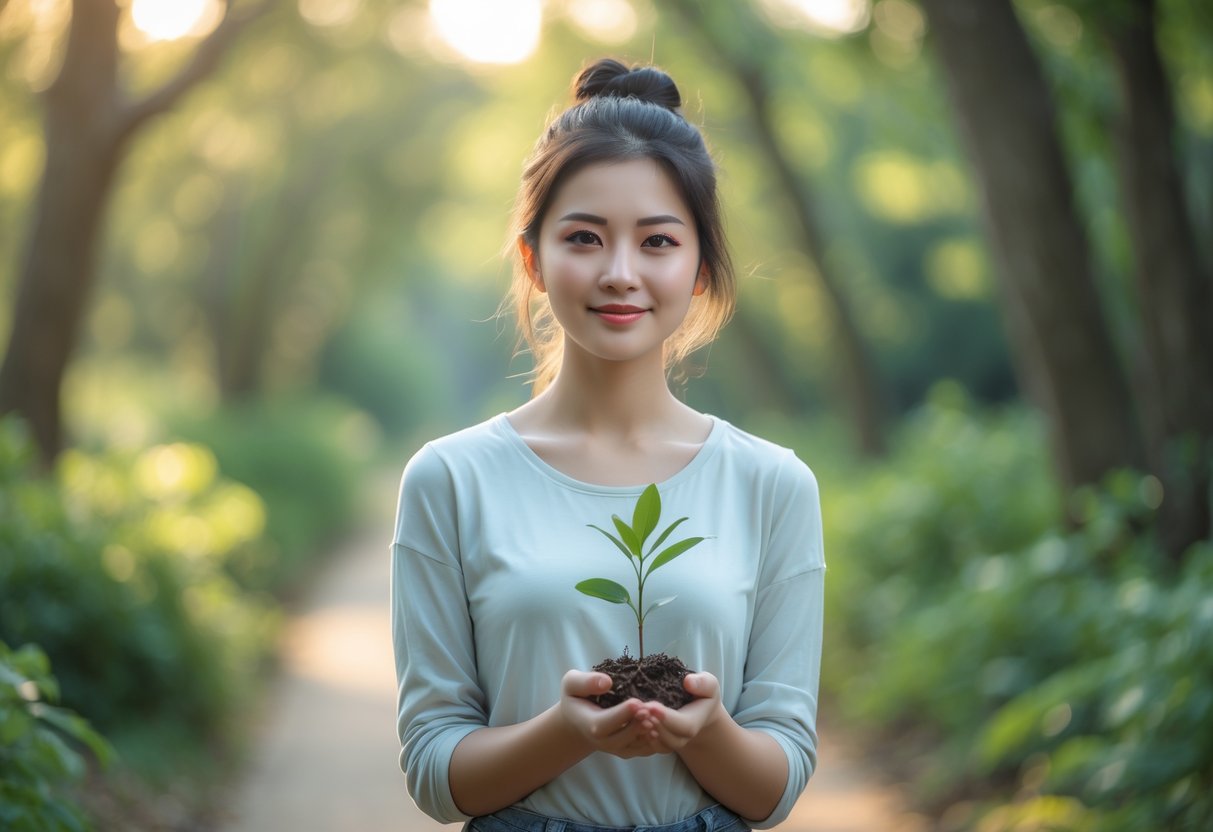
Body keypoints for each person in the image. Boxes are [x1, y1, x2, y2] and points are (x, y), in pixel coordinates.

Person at [391, 57, 825, 832]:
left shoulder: (772, 485)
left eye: (657, 242)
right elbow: (433, 771)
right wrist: (566, 731)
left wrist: (708, 729)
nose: (620, 273)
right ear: (533, 258)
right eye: (584, 238)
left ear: (698, 268)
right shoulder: (451, 479)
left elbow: (776, 783)